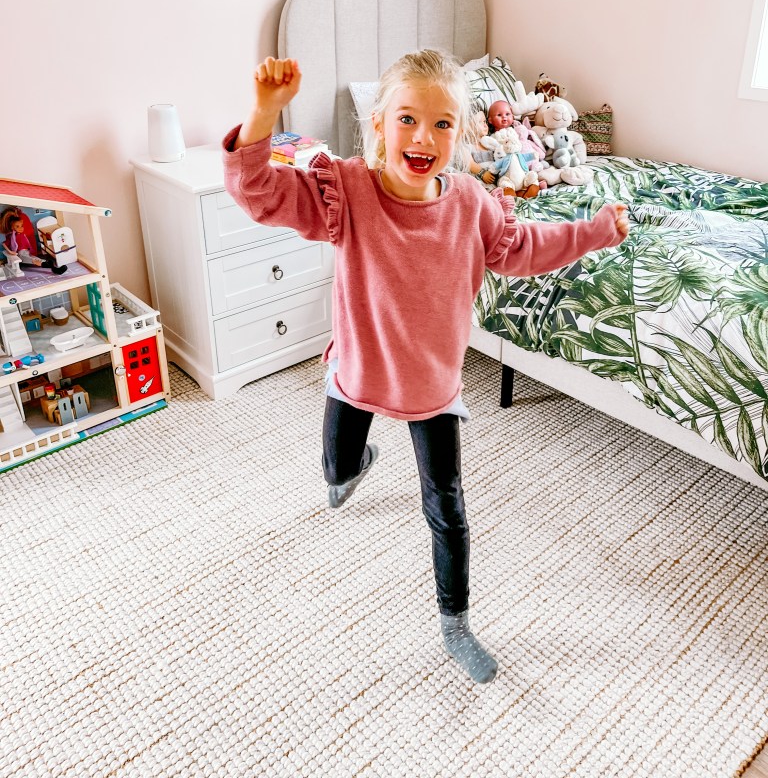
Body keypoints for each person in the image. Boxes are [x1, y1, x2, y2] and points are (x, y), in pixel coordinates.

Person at [222, 49, 629, 685]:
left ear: (461, 133)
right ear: (379, 125)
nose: (423, 137)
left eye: (442, 124)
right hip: (358, 372)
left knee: (447, 508)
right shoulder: (346, 191)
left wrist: (594, 231)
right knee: (335, 473)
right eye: (408, 119)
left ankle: (455, 624)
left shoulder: (470, 202)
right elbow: (258, 192)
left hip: (433, 385)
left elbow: (520, 247)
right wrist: (263, 113)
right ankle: (357, 461)